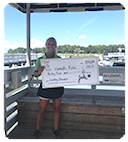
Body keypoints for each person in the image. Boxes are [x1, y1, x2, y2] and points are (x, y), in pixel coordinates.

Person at [32, 37, 64, 140]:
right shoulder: (40, 60)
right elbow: (35, 74)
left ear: (56, 46)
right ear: (46, 45)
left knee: (57, 109)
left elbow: (65, 72)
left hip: (57, 87)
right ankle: (37, 130)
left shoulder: (59, 59)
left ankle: (56, 130)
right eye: (49, 44)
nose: (51, 46)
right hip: (45, 87)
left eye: (53, 44)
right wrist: (39, 72)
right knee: (41, 110)